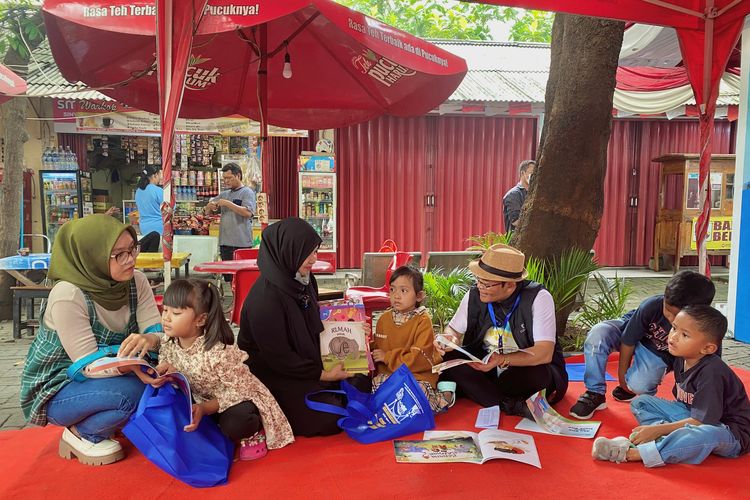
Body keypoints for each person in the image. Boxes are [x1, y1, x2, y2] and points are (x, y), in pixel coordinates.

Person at [19, 215, 162, 466]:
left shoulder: (136, 281)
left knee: (165, 383)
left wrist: (150, 338)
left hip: (115, 375)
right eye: (118, 254)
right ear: (91, 255)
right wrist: (134, 366)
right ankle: (83, 433)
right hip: (60, 386)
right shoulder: (68, 294)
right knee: (136, 393)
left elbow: (157, 331)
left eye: (132, 249)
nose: (130, 259)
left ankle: (105, 420)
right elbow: (87, 365)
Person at [237, 218, 370, 437]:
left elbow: (316, 324)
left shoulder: (303, 281)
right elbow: (279, 358)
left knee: (360, 378)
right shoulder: (265, 299)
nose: (314, 259)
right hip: (275, 373)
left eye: (316, 251)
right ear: (289, 251)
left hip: (306, 361)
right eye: (308, 253)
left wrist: (352, 330)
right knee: (329, 418)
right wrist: (323, 375)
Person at [151, 279, 293, 460]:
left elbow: (242, 390)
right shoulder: (168, 343)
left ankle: (255, 430)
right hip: (200, 402)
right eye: (165, 310)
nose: (166, 318)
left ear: (200, 319)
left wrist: (205, 408)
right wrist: (169, 376)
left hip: (235, 401)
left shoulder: (218, 353)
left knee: (237, 423)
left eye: (176, 312)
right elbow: (173, 375)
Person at [592, 305, 750, 467]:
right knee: (642, 402)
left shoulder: (711, 372)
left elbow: (704, 422)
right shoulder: (681, 357)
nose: (673, 337)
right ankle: (671, 441)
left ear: (707, 348)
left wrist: (659, 429)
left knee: (707, 434)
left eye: (684, 335)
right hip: (694, 417)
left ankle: (634, 453)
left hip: (729, 432)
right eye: (674, 328)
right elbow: (688, 410)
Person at [435, 243, 568, 416]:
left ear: (510, 285)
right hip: (485, 367)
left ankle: (483, 395)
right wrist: (449, 339)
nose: (480, 287)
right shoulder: (474, 294)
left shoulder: (538, 297)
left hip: (519, 370)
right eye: (479, 281)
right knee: (448, 357)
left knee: (539, 374)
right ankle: (511, 404)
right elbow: (453, 329)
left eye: (487, 284)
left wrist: (501, 359)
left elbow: (544, 353)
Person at [569, 270, 715, 420]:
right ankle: (595, 392)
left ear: (698, 312)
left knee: (639, 384)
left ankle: (633, 390)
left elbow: (703, 368)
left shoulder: (706, 330)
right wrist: (622, 378)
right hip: (630, 331)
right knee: (599, 333)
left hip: (656, 352)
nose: (670, 318)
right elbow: (628, 339)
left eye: (676, 315)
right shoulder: (652, 305)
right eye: (667, 310)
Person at [371, 266, 454, 414]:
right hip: (389, 374)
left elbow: (419, 358)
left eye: (403, 291)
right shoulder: (384, 319)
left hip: (416, 374)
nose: (396, 295)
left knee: (416, 394)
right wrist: (364, 340)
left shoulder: (422, 320)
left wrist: (387, 357)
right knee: (378, 387)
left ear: (419, 296)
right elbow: (378, 346)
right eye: (392, 289)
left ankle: (445, 396)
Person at [204, 163, 256, 282]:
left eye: (229, 178)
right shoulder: (225, 194)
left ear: (238, 175)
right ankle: (233, 300)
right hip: (225, 243)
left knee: (242, 278)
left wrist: (227, 203)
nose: (226, 181)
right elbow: (207, 212)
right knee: (229, 279)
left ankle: (241, 300)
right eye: (224, 179)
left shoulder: (247, 192)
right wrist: (210, 205)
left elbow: (248, 213)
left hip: (242, 244)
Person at [134, 165, 163, 252]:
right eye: (159, 175)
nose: (160, 178)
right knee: (157, 258)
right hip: (159, 229)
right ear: (154, 175)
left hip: (143, 228)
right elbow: (171, 207)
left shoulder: (138, 191)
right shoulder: (158, 190)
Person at [502, 160, 535, 233]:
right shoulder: (513, 194)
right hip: (516, 242)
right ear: (522, 173)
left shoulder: (533, 195)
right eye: (532, 173)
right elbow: (516, 221)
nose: (534, 177)